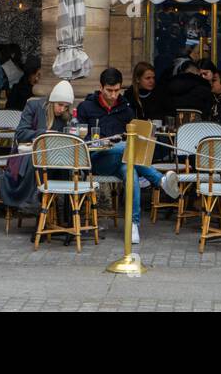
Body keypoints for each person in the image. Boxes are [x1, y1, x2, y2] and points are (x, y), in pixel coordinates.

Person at [75, 67, 180, 244]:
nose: (114, 95)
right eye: (110, 90)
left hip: (121, 159)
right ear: (101, 88)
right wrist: (103, 143)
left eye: (117, 90)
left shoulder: (126, 109)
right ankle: (159, 180)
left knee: (130, 170)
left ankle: (133, 225)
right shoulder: (86, 107)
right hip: (95, 159)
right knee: (126, 146)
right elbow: (81, 137)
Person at [0, 80, 77, 214]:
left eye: (66, 106)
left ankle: (65, 212)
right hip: (29, 154)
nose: (62, 109)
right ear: (52, 101)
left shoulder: (65, 117)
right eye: (60, 105)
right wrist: (43, 134)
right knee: (38, 160)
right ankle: (35, 200)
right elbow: (21, 133)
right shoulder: (34, 106)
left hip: (54, 158)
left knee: (69, 166)